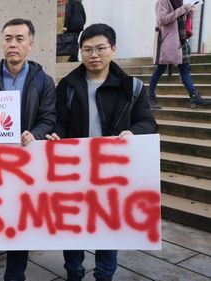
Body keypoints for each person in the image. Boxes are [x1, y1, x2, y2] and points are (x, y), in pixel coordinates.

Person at [46, 23, 158, 281]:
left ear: (113, 49)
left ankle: (104, 275)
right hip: (75, 172)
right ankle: (73, 272)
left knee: (108, 228)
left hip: (112, 173)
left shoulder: (132, 87)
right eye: (87, 49)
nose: (93, 54)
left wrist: (134, 132)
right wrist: (56, 135)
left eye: (100, 48)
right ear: (80, 52)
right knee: (73, 227)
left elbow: (147, 122)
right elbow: (59, 121)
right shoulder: (68, 85)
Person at [0, 18, 56, 281]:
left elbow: (49, 117)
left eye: (19, 39)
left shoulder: (44, 81)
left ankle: (16, 277)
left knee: (21, 225)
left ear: (31, 44)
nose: (13, 44)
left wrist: (36, 133)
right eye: (8, 38)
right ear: (2, 42)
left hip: (26, 166)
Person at [149, 0, 211, 109]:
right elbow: (161, 20)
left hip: (181, 40)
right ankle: (150, 97)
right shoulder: (162, 1)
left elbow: (179, 20)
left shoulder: (180, 2)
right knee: (160, 68)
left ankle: (194, 96)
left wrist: (188, 11)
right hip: (167, 42)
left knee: (185, 69)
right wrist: (182, 10)